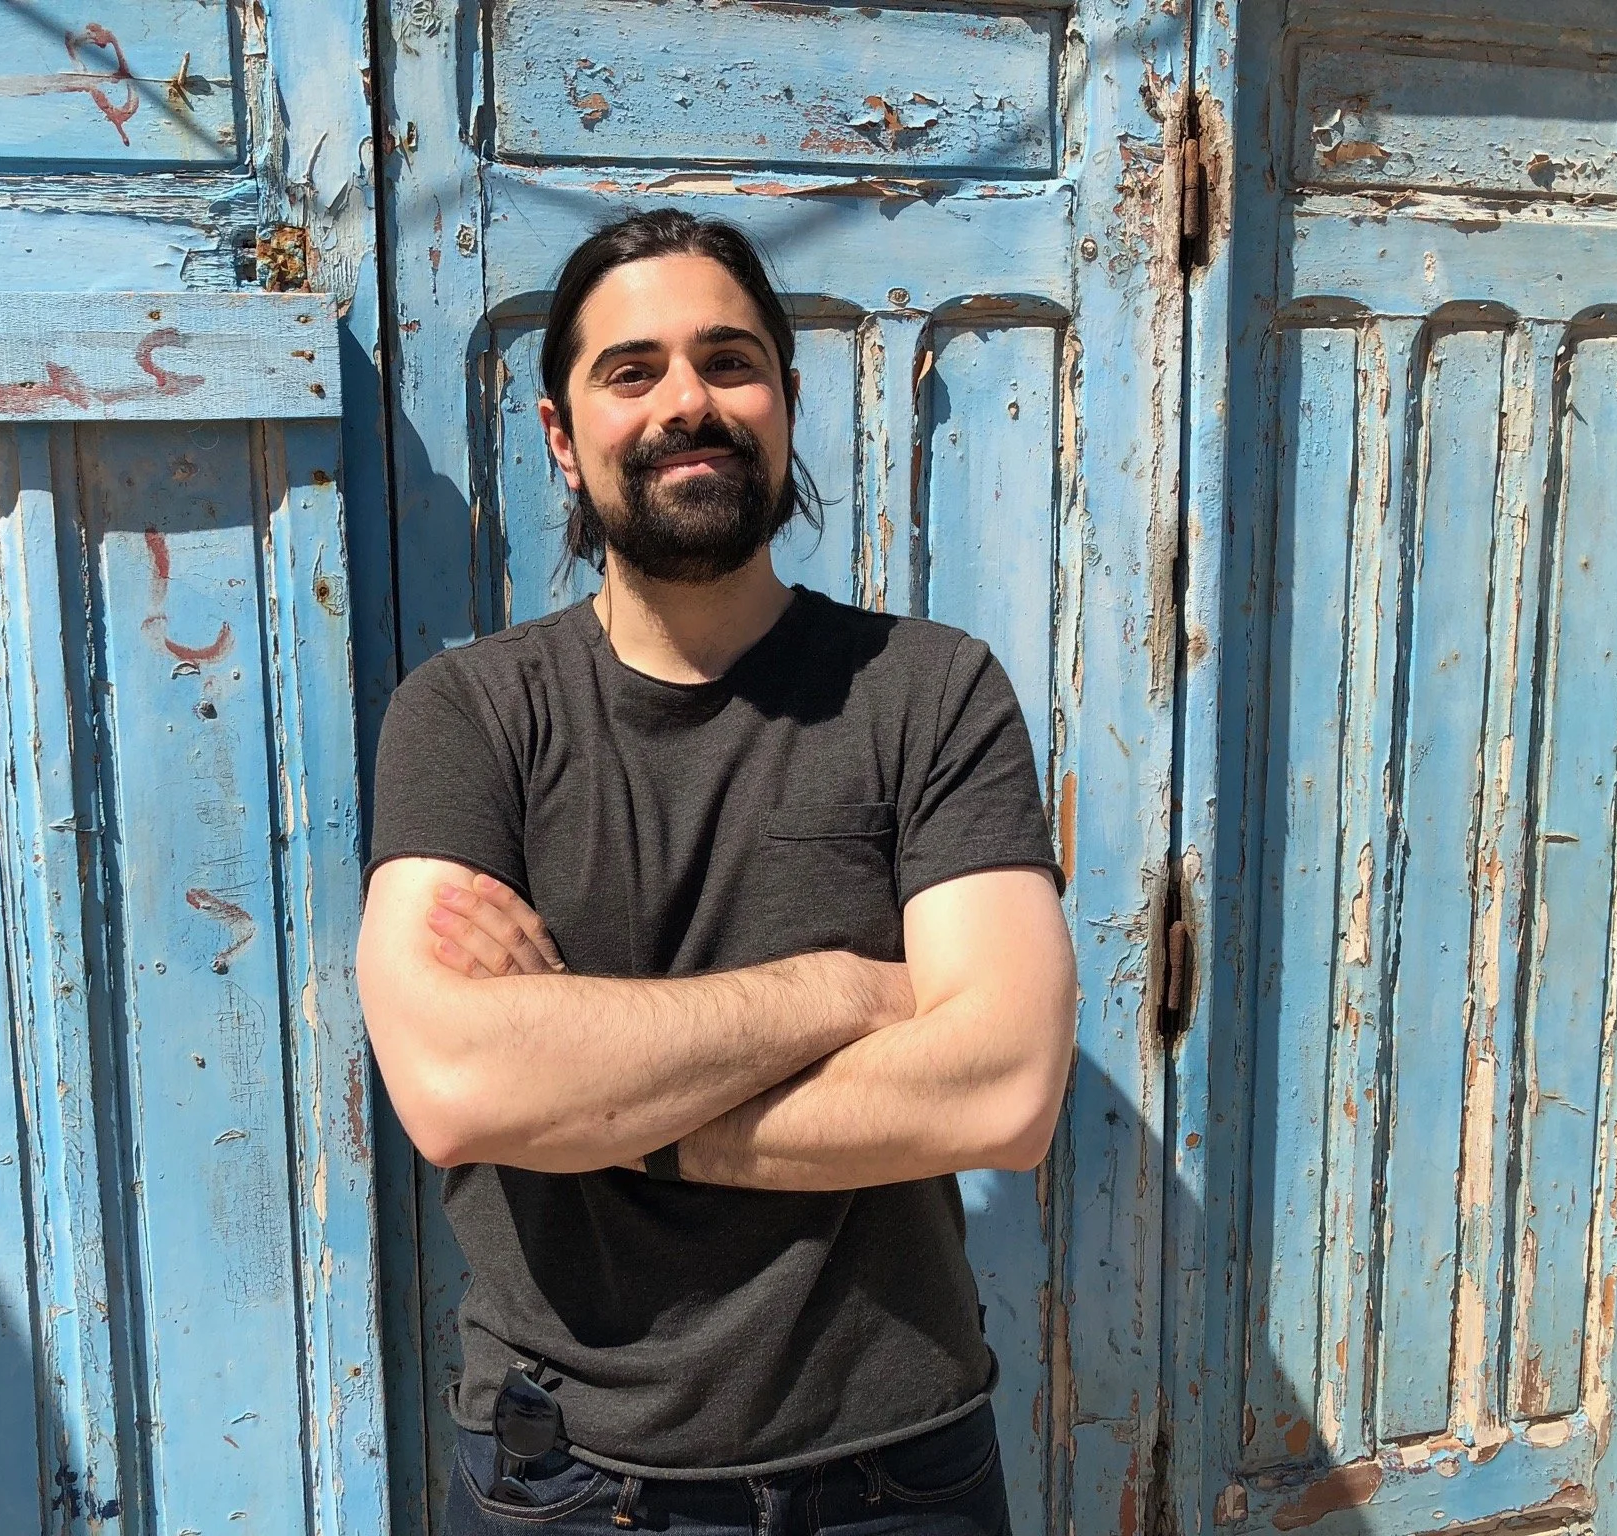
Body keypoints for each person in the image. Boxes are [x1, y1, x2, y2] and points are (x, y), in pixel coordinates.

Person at [356, 208, 1077, 1535]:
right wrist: (854, 994)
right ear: (563, 443)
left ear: (788, 406)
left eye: (729, 360)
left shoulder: (930, 691)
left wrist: (596, 1110)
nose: (688, 400)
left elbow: (1006, 1087)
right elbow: (461, 1089)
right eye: (632, 371)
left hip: (895, 1471)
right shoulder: (467, 717)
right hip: (566, 1477)